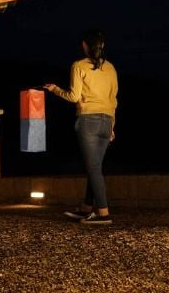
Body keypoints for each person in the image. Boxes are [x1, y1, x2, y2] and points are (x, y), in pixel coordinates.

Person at [44, 29, 118, 225]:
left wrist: (55, 89)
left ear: (85, 46)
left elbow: (74, 96)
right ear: (102, 46)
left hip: (88, 121)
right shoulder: (110, 68)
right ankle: (86, 208)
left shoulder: (78, 66)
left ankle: (103, 214)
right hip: (107, 121)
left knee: (93, 168)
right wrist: (112, 125)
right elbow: (113, 100)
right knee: (95, 168)